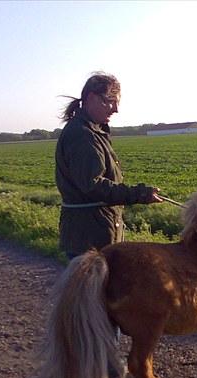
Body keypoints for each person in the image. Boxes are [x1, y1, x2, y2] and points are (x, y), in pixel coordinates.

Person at [55, 72, 162, 260]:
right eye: (111, 101)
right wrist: (139, 194)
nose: (116, 109)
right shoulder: (82, 135)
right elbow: (93, 185)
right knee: (92, 290)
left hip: (97, 232)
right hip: (89, 238)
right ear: (91, 98)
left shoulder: (93, 131)